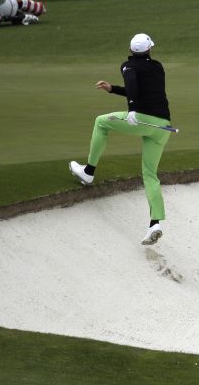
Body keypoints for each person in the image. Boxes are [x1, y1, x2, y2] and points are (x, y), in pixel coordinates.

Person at [70, 33, 173, 245]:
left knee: (101, 122)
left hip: (141, 119)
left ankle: (88, 172)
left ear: (131, 49)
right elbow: (139, 89)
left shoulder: (128, 66)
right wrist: (113, 89)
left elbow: (133, 83)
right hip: (162, 125)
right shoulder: (157, 66)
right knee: (150, 174)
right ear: (149, 49)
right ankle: (155, 223)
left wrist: (133, 109)